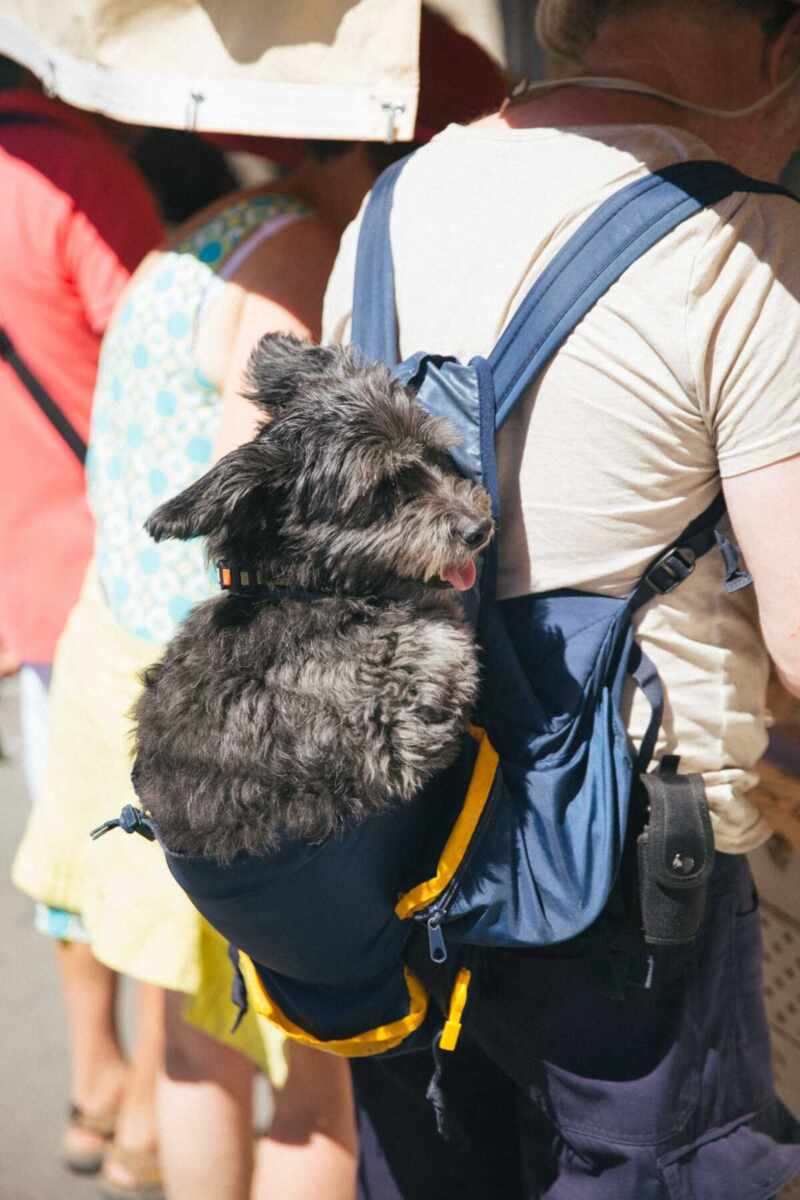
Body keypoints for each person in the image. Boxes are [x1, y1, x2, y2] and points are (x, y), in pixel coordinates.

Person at [11, 11, 506, 1199]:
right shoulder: (292, 266)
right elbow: (265, 527)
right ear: (382, 153)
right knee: (313, 1076)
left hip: (119, 667)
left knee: (195, 1043)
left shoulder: (214, 228)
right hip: (229, 724)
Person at [322, 1, 800, 1195]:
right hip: (634, 878)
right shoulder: (738, 242)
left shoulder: (392, 204)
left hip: (400, 826)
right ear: (778, 41)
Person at [0, 53, 166, 1191]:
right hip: (105, 572)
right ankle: (151, 1095)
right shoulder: (71, 169)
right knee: (147, 844)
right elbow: (154, 354)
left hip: (16, 576)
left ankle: (94, 1075)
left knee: (65, 833)